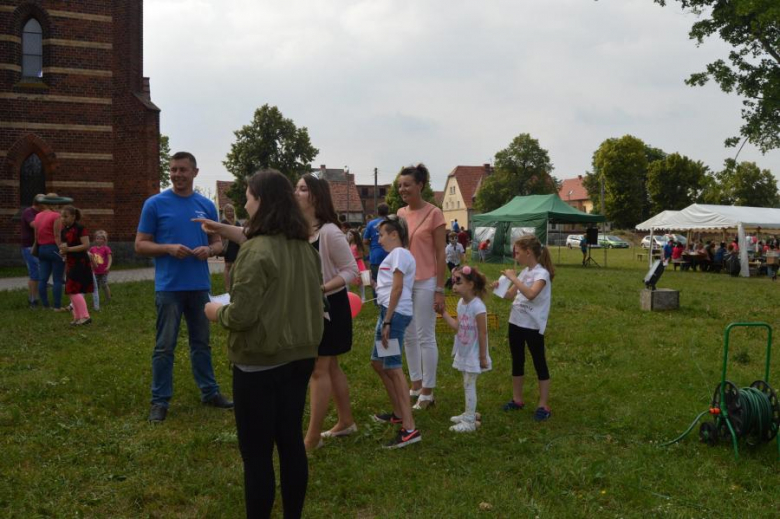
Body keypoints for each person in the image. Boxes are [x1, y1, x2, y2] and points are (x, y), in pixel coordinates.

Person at [202, 169, 322, 519]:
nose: (244, 203)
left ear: (262, 202)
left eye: (248, 196)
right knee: (290, 444)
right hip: (300, 357)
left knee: (256, 456)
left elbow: (241, 316)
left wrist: (215, 312)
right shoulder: (304, 248)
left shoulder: (254, 252)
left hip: (260, 363)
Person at [135, 151, 232, 423]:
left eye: (182, 170)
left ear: (195, 173)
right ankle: (160, 401)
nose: (177, 174)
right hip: (169, 288)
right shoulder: (154, 204)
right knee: (164, 346)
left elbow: (219, 243)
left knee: (201, 343)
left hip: (199, 286)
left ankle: (210, 392)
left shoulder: (206, 206)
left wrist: (209, 249)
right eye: (173, 170)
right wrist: (167, 248)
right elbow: (140, 244)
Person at [295, 174, 359, 450]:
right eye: (295, 188)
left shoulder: (330, 232)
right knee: (330, 367)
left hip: (331, 309)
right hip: (312, 308)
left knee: (319, 369)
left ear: (316, 196)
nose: (295, 192)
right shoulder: (298, 229)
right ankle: (346, 421)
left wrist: (321, 289)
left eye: (302, 189)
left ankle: (312, 437)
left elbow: (352, 272)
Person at [396, 164, 447, 410]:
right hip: (405, 281)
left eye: (407, 184)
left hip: (427, 280)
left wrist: (440, 288)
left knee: (426, 335)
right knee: (408, 334)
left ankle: (428, 391)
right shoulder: (400, 214)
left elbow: (440, 253)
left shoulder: (434, 213)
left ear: (420, 185)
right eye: (399, 185)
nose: (402, 189)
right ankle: (415, 384)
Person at [370, 216, 421, 448]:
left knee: (394, 367)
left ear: (394, 234)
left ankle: (409, 429)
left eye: (381, 234)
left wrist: (388, 320)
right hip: (388, 313)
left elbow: (399, 287)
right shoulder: (395, 256)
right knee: (378, 363)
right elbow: (393, 284)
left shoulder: (400, 253)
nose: (378, 239)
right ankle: (399, 413)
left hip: (394, 315)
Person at [497, 235, 554, 422]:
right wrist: (498, 286)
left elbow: (530, 294)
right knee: (517, 361)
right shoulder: (524, 273)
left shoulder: (541, 274)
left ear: (528, 252)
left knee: (539, 363)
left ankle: (543, 404)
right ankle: (517, 399)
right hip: (516, 322)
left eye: (518, 252)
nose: (516, 256)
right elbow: (509, 295)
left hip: (532, 326)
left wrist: (514, 277)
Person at [436, 265, 491, 433]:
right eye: (453, 282)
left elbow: (483, 333)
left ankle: (469, 421)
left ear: (471, 285)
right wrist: (444, 313)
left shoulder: (478, 307)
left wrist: (482, 357)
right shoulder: (460, 303)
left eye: (458, 282)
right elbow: (457, 326)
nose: (454, 286)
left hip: (475, 354)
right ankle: (470, 413)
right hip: (464, 351)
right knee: (466, 382)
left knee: (469, 384)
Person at [58, 206, 94, 325]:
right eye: (61, 216)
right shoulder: (64, 231)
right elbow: (64, 246)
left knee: (74, 289)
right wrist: (62, 251)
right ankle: (77, 317)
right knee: (70, 290)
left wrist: (68, 249)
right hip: (70, 262)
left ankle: (85, 316)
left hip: (80, 262)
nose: (63, 219)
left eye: (65, 216)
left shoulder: (80, 228)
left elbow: (86, 245)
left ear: (73, 217)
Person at [33, 193, 65, 311]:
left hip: (42, 249)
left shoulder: (38, 216)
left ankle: (45, 305)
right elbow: (57, 235)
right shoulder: (56, 216)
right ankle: (57, 306)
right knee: (57, 279)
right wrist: (62, 249)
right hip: (54, 248)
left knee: (43, 278)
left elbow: (36, 236)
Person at [363, 203, 390, 304]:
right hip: (390, 254)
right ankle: (389, 299)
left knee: (376, 279)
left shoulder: (371, 224)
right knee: (390, 278)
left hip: (375, 255)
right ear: (388, 211)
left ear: (377, 212)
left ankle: (377, 300)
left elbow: (365, 241)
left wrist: (373, 243)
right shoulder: (392, 223)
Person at [20, 194, 43, 308]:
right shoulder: (28, 212)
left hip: (38, 246)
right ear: (39, 203)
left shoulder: (40, 213)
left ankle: (35, 298)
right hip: (29, 247)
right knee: (35, 274)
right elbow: (34, 225)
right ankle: (33, 301)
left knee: (36, 274)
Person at [220, 203, 242, 293]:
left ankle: (236, 285)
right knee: (228, 266)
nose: (230, 213)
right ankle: (227, 287)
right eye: (228, 211)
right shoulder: (223, 222)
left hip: (237, 245)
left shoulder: (237, 222)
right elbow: (221, 235)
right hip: (228, 246)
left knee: (237, 266)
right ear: (225, 212)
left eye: (231, 211)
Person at [89, 230, 112, 308]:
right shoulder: (92, 249)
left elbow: (110, 258)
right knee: (96, 287)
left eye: (101, 238)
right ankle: (95, 301)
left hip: (104, 271)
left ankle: (108, 298)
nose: (99, 240)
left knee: (104, 285)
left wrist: (108, 266)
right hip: (95, 271)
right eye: (97, 238)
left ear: (104, 240)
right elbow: (90, 258)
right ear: (95, 239)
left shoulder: (106, 248)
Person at [347, 229, 368, 301]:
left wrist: (353, 259)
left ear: (355, 236)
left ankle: (363, 297)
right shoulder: (349, 244)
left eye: (351, 235)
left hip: (358, 264)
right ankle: (349, 296)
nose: (349, 236)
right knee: (349, 281)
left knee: (360, 281)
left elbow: (361, 255)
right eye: (348, 235)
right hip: (352, 265)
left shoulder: (357, 245)